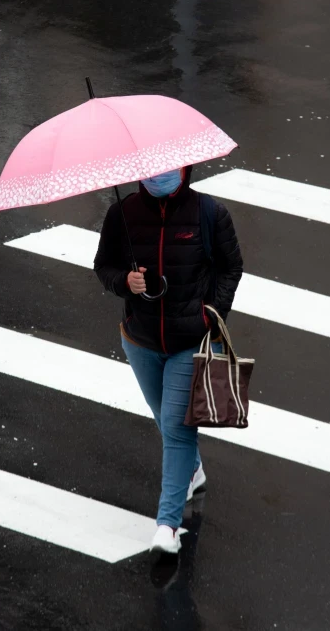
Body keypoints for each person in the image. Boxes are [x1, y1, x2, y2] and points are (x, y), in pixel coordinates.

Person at [93, 165, 243, 555]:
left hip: (189, 343)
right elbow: (103, 266)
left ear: (185, 168)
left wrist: (213, 312)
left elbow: (231, 267)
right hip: (139, 341)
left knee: (177, 429)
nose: (160, 175)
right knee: (165, 419)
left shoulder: (209, 214)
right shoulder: (121, 215)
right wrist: (124, 281)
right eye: (151, 168)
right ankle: (192, 471)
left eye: (169, 168)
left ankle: (168, 527)